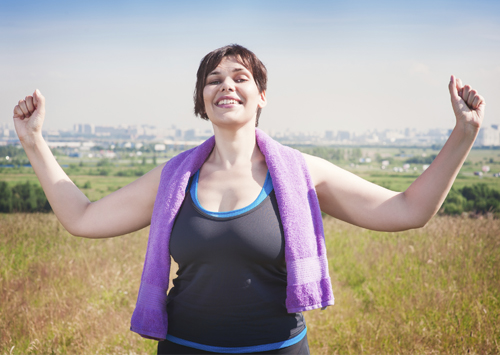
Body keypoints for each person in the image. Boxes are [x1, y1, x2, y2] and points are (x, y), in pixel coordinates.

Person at [13, 44, 485, 355]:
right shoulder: (175, 177)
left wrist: (464, 134)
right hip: (183, 348)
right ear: (202, 101)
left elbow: (409, 210)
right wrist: (34, 141)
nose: (226, 85)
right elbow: (82, 217)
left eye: (240, 77)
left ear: (261, 96)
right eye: (213, 79)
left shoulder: (302, 174)